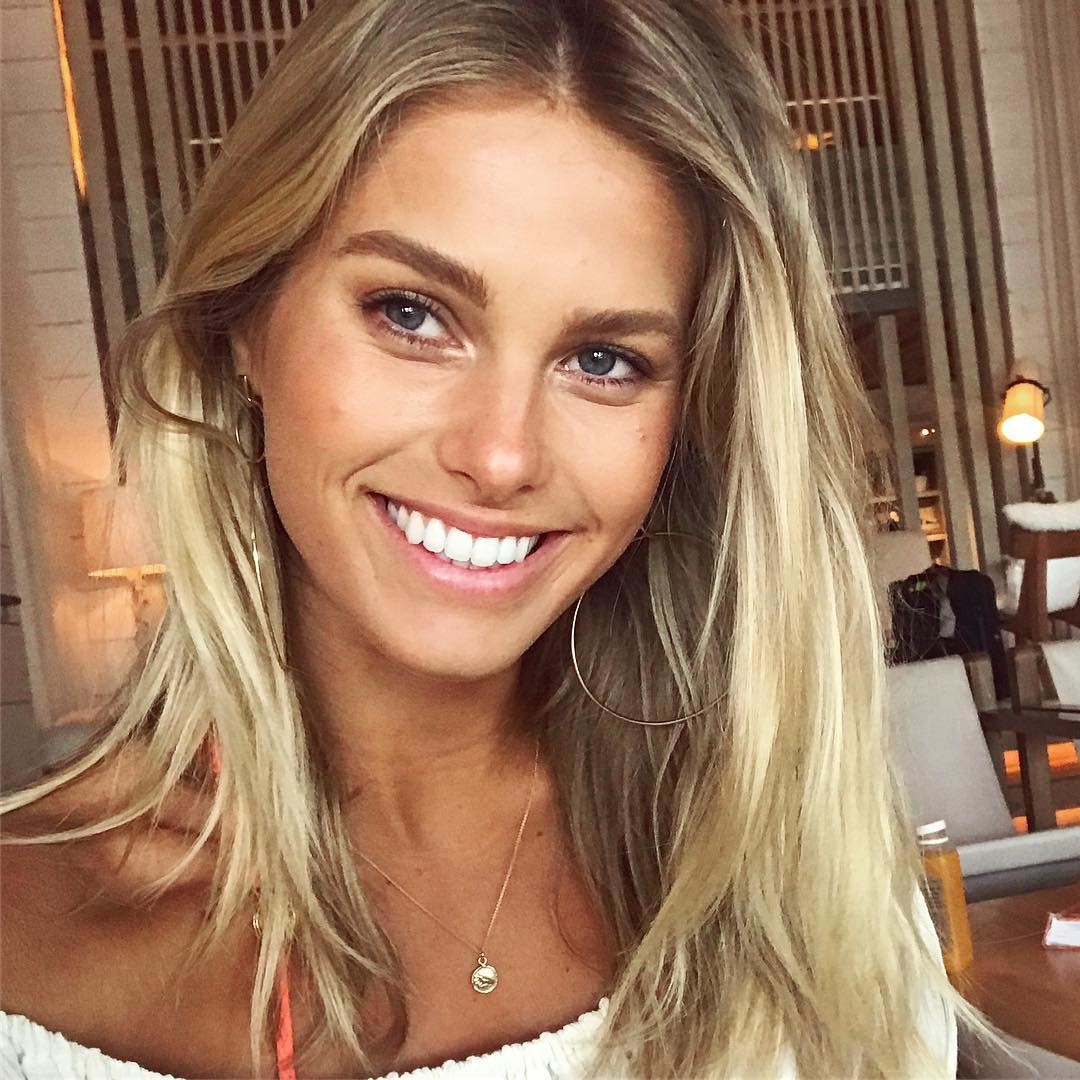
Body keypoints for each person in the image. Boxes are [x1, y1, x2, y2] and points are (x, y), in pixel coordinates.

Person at [0, 0, 967, 1076]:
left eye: (604, 361)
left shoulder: (798, 875)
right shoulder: (27, 945)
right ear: (246, 325)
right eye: (412, 314)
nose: (502, 457)